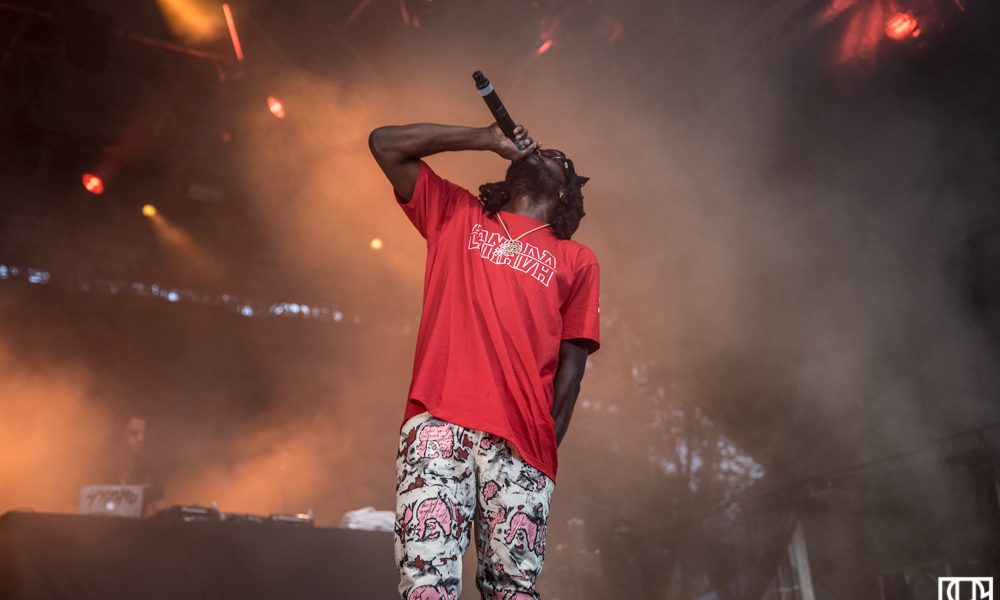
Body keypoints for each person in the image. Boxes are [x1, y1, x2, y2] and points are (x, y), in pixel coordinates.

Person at [369, 121, 600, 599]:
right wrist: (485, 139)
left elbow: (572, 371)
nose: (545, 151)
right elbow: (384, 144)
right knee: (426, 584)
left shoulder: (577, 259)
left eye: (557, 156)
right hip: (438, 423)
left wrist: (542, 451)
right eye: (541, 149)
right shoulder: (456, 214)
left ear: (565, 192)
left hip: (522, 443)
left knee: (512, 590)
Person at [114, 416, 166, 516]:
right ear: (121, 434)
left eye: (143, 434)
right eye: (134, 433)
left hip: (135, 525)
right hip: (102, 525)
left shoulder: (149, 467)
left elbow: (161, 511)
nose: (140, 439)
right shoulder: (102, 463)